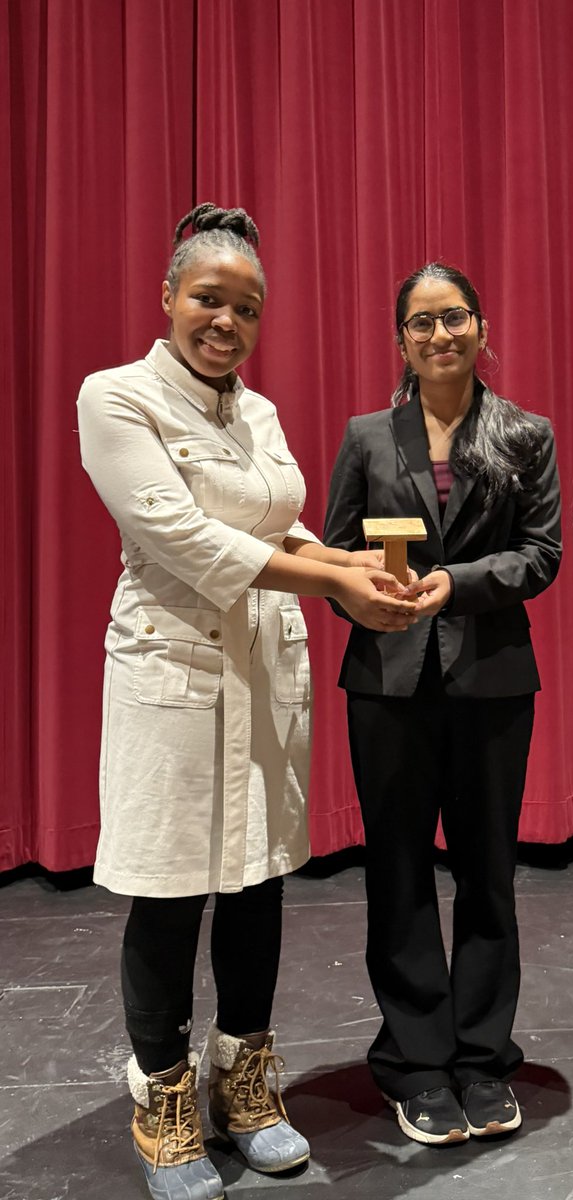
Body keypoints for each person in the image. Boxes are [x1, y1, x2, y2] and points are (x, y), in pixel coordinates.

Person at [77, 203, 417, 1200]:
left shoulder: (257, 412)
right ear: (169, 298)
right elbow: (181, 535)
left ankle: (247, 1083)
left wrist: (345, 561)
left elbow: (279, 518)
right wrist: (331, 583)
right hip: (171, 667)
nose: (225, 322)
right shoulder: (118, 397)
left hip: (265, 665)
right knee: (173, 886)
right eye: (208, 300)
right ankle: (165, 1100)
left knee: (259, 878)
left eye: (246, 308)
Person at [323, 262, 562, 1145]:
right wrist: (366, 594)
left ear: (481, 327)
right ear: (401, 342)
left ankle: (481, 1057)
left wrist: (450, 584)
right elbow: (334, 556)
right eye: (420, 324)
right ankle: (416, 1063)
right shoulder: (365, 437)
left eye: (453, 318)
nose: (439, 336)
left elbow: (542, 555)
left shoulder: (525, 433)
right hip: (385, 683)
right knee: (398, 873)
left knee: (489, 874)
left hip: (492, 683)